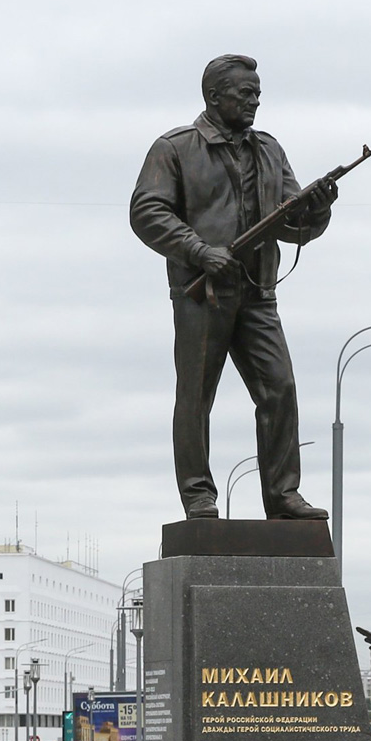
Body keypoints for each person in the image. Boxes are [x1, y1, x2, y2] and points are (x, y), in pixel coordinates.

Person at [130, 53, 336, 521]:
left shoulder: (269, 150)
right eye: (246, 93)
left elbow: (292, 223)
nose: (255, 102)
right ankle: (199, 495)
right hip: (204, 292)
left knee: (279, 388)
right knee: (197, 395)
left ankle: (283, 495)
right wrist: (200, 250)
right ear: (214, 96)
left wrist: (318, 209)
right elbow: (147, 212)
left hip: (258, 292)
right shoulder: (175, 148)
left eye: (258, 94)